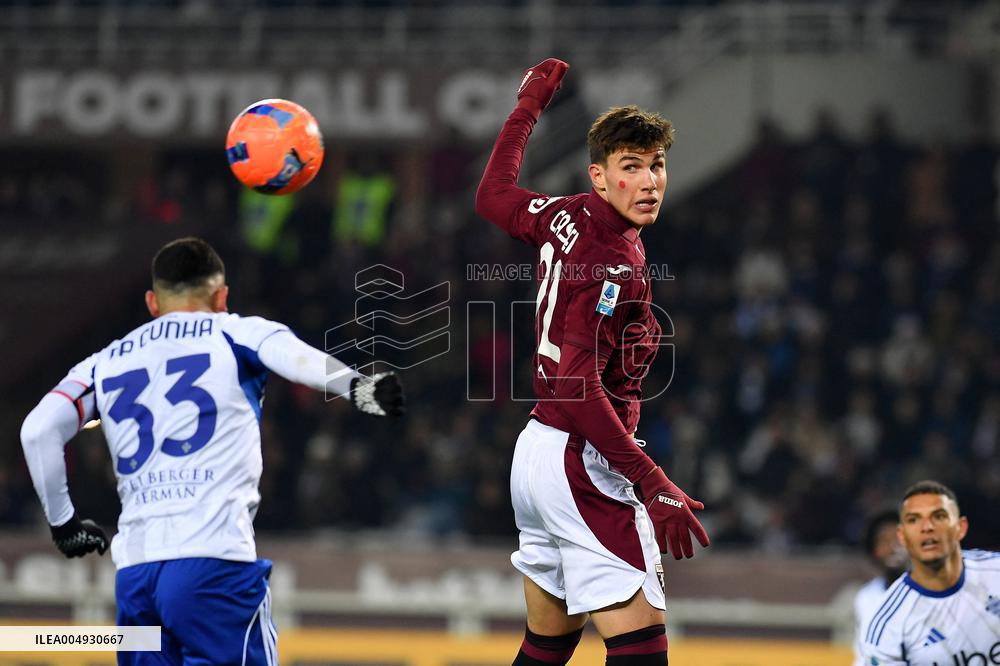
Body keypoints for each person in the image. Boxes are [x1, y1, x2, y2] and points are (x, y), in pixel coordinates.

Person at [19, 237, 404, 665]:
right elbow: (293, 356)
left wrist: (63, 523)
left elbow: (37, 431)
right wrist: (358, 388)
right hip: (212, 563)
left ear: (152, 301)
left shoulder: (104, 361)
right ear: (222, 296)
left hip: (137, 575)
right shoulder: (237, 332)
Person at [476, 58, 709, 665]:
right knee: (644, 648)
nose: (650, 180)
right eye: (631, 168)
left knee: (549, 644)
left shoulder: (565, 213)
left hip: (536, 450)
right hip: (580, 457)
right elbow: (580, 388)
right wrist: (651, 481)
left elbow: (493, 195)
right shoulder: (611, 262)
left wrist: (526, 109)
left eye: (656, 165)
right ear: (600, 178)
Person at [860, 480, 1000, 665]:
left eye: (939, 516)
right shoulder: (887, 625)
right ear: (902, 536)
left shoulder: (995, 571)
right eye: (914, 520)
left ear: (961, 527)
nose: (927, 527)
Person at [852, 509, 908, 666]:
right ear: (875, 551)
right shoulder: (867, 596)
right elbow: (864, 654)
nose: (892, 548)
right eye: (884, 541)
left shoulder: (932, 591)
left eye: (898, 540)